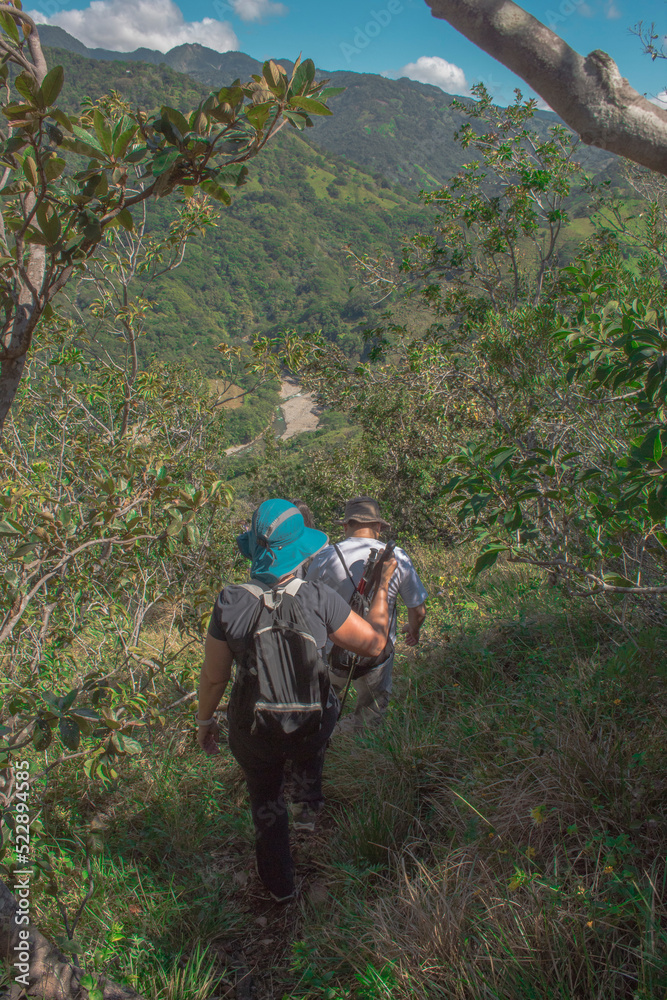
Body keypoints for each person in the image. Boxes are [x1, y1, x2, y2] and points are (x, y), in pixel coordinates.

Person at [195, 499, 397, 903]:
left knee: (264, 800)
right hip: (312, 724)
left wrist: (204, 722)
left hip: (254, 732)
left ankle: (279, 886)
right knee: (312, 743)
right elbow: (374, 645)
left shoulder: (229, 602)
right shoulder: (319, 599)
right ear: (300, 549)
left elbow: (215, 677)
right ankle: (309, 805)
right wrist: (382, 593)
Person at [306, 496, 427, 731]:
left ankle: (325, 742)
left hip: (333, 653)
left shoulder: (325, 557)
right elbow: (418, 609)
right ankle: (363, 755)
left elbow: (306, 602)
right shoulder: (397, 557)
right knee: (371, 720)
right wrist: (413, 630)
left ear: (345, 526)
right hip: (377, 656)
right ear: (379, 527)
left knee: (321, 711)